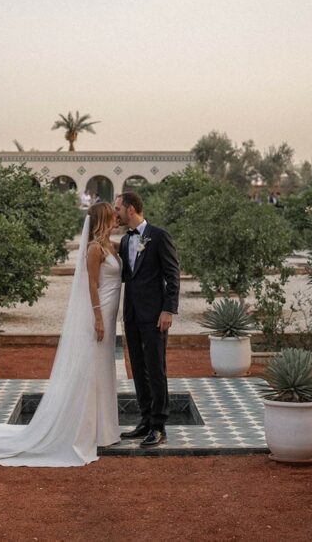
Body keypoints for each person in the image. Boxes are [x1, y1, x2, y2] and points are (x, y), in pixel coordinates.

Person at [0, 202, 121, 466]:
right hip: (99, 315)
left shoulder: (112, 246)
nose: (117, 217)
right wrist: (98, 317)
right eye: (113, 215)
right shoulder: (94, 249)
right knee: (91, 369)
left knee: (104, 368)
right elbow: (91, 284)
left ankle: (105, 429)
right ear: (104, 219)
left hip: (112, 316)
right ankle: (86, 430)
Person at [114, 191, 180, 448]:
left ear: (131, 209)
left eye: (118, 208)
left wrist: (168, 310)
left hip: (154, 315)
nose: (115, 212)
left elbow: (173, 275)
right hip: (130, 314)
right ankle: (144, 419)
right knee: (138, 368)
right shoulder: (123, 241)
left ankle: (158, 426)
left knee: (155, 368)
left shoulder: (159, 235)